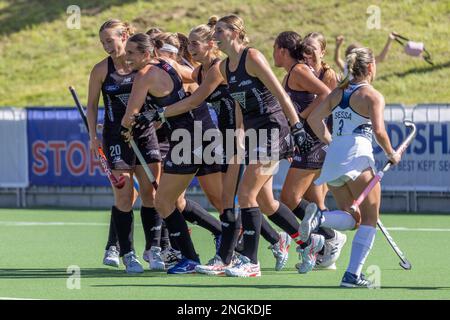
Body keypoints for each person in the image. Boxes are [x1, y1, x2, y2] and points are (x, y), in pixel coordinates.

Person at [120, 33, 223, 274]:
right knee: (220, 201)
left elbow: (129, 117)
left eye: (131, 53)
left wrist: (125, 128)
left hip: (185, 139)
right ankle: (233, 244)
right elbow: (199, 81)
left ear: (146, 54)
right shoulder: (171, 64)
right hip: (206, 130)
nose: (127, 59)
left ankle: (189, 258)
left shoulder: (144, 75)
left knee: (163, 201)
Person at [303, 47, 401, 287]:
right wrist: (392, 154)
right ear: (369, 67)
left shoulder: (338, 92)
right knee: (370, 218)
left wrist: (331, 141)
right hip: (357, 158)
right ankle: (352, 275)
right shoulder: (372, 96)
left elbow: (314, 119)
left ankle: (321, 218)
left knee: (352, 218)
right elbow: (379, 131)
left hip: (334, 158)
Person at [87, 19, 164, 273]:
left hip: (144, 135)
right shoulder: (101, 70)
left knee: (151, 194)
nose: (107, 46)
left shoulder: (144, 67)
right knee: (123, 195)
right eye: (103, 42)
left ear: (125, 36)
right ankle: (128, 253)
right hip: (116, 138)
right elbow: (91, 107)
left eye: (110, 40)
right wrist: (93, 137)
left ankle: (153, 249)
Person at [273, 31, 346, 272]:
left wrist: (300, 119)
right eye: (306, 49)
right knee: (310, 200)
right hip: (304, 142)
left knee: (289, 198)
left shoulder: (304, 72)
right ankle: (325, 243)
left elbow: (328, 96)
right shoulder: (291, 74)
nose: (309, 54)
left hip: (315, 141)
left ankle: (330, 236)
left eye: (314, 50)